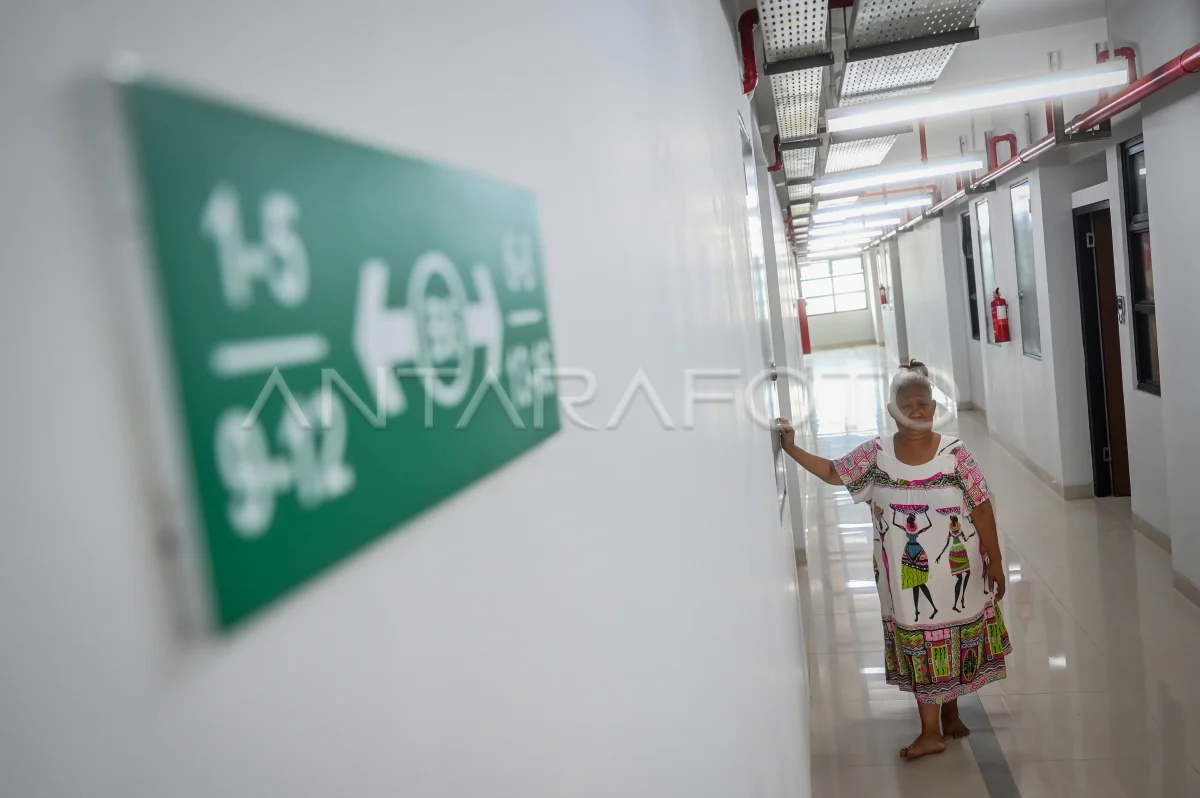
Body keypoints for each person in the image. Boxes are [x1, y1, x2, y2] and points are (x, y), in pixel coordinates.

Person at [776, 369, 1009, 760]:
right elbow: (834, 472)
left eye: (923, 404)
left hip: (958, 570)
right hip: (906, 574)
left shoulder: (956, 454)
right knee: (922, 638)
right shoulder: (876, 455)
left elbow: (982, 509)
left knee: (952, 637)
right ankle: (932, 729)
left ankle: (946, 716)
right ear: (891, 411)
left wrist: (996, 561)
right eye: (907, 405)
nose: (915, 411)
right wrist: (791, 449)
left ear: (934, 408)